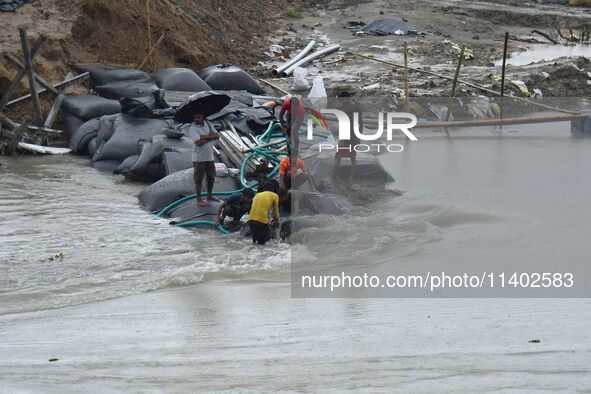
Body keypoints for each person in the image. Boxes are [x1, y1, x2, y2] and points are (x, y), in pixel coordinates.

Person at [191, 112, 220, 206]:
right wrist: (211, 136)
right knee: (198, 179)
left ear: (203, 116)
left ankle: (209, 195)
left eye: (198, 117)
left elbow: (217, 136)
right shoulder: (193, 128)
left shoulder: (208, 123)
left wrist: (204, 137)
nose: (197, 119)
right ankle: (198, 199)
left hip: (209, 157)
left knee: (211, 177)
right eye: (195, 117)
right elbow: (198, 143)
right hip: (199, 158)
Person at [334, 94, 360, 182]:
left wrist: (342, 139)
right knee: (352, 157)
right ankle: (352, 176)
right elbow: (360, 123)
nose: (341, 103)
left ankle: (336, 176)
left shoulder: (346, 110)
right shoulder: (357, 108)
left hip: (346, 137)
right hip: (355, 136)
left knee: (338, 156)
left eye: (342, 101)